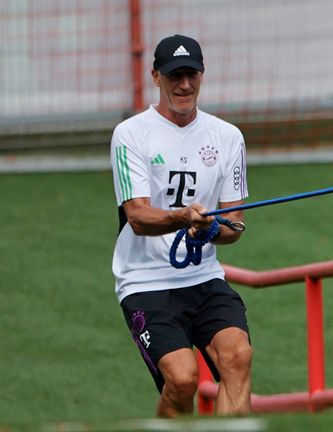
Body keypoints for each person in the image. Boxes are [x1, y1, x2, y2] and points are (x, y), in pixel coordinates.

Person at [110, 34, 252, 417]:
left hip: (204, 277)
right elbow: (138, 217)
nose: (184, 84)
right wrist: (182, 217)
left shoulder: (228, 138)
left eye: (191, 74)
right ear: (156, 77)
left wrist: (212, 230)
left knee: (237, 358)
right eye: (175, 75)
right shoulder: (130, 134)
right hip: (145, 282)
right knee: (183, 379)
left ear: (202, 75)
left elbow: (234, 225)